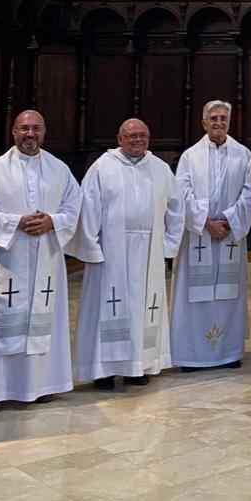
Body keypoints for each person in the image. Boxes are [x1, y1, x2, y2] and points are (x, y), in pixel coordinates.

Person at [0, 110, 82, 414]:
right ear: (13, 132)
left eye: (35, 129)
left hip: (45, 257)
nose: (30, 134)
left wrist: (53, 221)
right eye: (24, 129)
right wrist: (15, 223)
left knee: (42, 319)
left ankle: (40, 385)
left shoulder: (59, 170)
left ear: (44, 132)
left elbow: (74, 208)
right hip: (7, 258)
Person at [70, 118, 183, 390]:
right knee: (108, 308)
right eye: (131, 136)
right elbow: (88, 209)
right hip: (111, 251)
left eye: (143, 135)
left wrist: (168, 246)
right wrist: (92, 248)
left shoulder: (160, 169)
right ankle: (104, 371)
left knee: (143, 308)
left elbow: (176, 209)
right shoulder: (102, 168)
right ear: (119, 138)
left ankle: (137, 365)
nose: (137, 140)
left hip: (149, 251)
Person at [171, 100, 251, 371]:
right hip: (199, 235)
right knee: (195, 296)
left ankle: (228, 353)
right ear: (204, 123)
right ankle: (192, 356)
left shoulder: (242, 155)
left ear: (229, 122)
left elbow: (250, 192)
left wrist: (230, 220)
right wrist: (205, 222)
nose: (219, 123)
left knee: (228, 295)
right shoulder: (189, 157)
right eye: (214, 119)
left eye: (223, 118)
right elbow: (181, 194)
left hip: (229, 234)